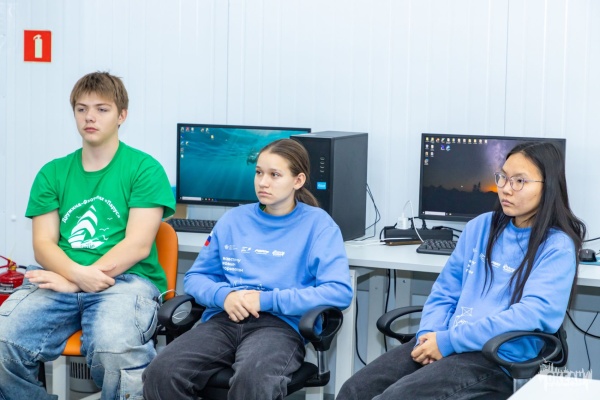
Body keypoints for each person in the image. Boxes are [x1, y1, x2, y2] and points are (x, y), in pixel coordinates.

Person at [337, 141, 586, 400]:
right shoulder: (480, 227)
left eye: (519, 181)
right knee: (354, 390)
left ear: (548, 187)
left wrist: (448, 342)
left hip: (495, 359)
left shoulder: (557, 247)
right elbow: (445, 292)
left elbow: (527, 315)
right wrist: (428, 337)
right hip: (447, 341)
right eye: (503, 177)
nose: (505, 188)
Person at [0, 71, 175, 400]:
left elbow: (137, 245)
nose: (89, 117)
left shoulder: (145, 169)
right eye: (81, 109)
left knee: (114, 349)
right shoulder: (52, 172)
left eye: (102, 109)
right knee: (2, 340)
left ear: (121, 115)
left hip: (126, 280)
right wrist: (76, 277)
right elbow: (43, 244)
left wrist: (77, 280)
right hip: (62, 278)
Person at [143, 138, 354, 399]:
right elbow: (197, 277)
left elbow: (338, 292)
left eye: (275, 175)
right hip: (224, 319)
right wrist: (225, 296)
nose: (263, 182)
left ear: (298, 180)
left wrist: (265, 300)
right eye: (259, 172)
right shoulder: (234, 219)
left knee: (253, 380)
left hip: (280, 325)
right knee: (161, 372)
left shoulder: (319, 225)